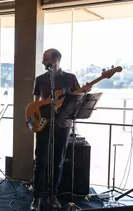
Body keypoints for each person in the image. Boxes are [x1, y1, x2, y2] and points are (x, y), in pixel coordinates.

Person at [30, 49, 91, 210]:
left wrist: (84, 94)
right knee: (40, 161)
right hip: (44, 125)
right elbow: (35, 102)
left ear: (55, 60)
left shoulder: (70, 79)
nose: (43, 62)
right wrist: (34, 119)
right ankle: (36, 197)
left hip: (63, 125)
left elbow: (77, 99)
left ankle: (53, 194)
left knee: (58, 162)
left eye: (46, 59)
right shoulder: (40, 79)